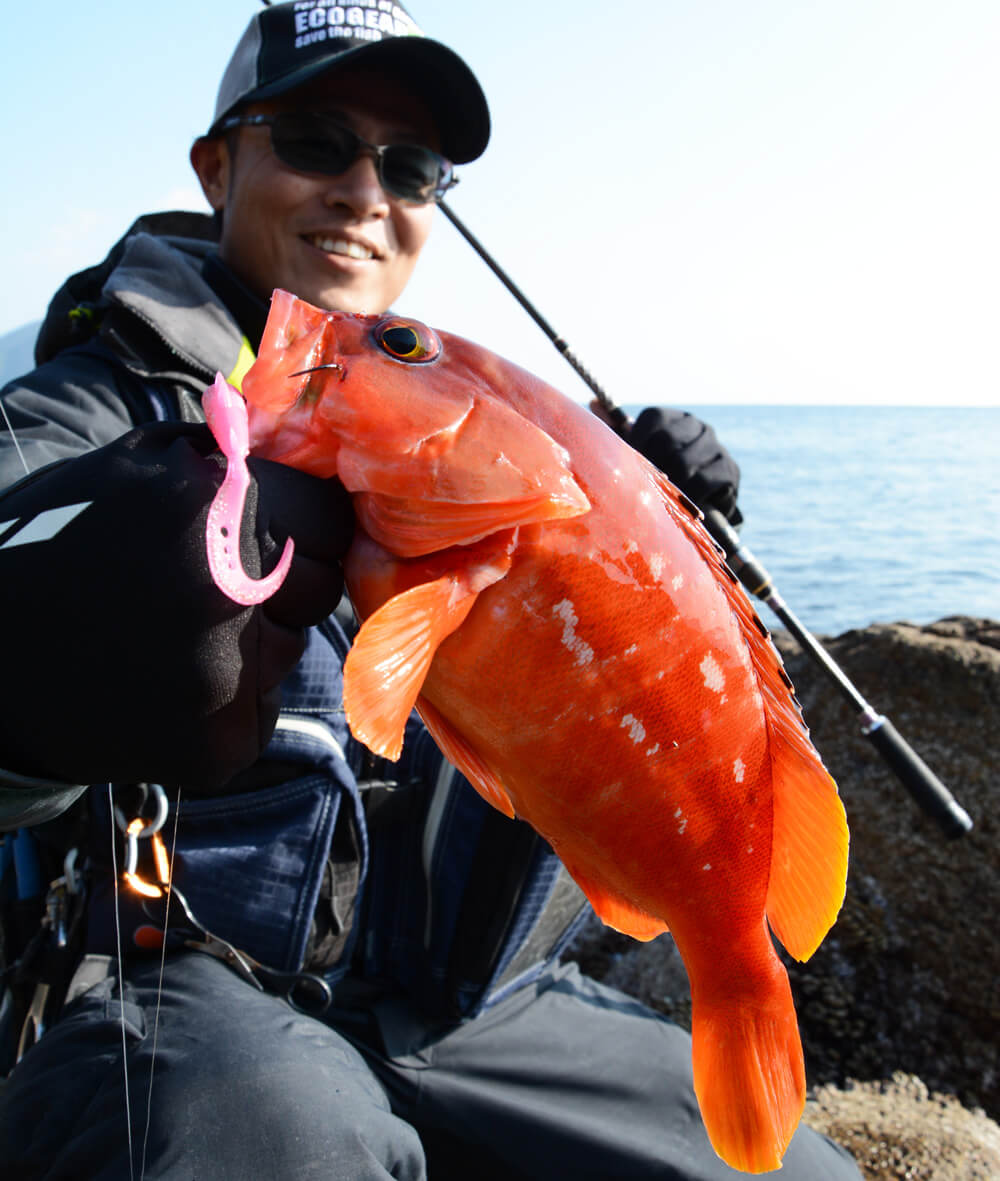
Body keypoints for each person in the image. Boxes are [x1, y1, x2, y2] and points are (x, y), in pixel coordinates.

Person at [0, 4, 860, 1178]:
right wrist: (32, 692)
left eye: (409, 166)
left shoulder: (482, 419)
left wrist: (662, 534)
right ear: (217, 164)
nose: (364, 191)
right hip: (181, 981)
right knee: (280, 1129)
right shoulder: (81, 414)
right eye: (313, 139)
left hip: (464, 1004)